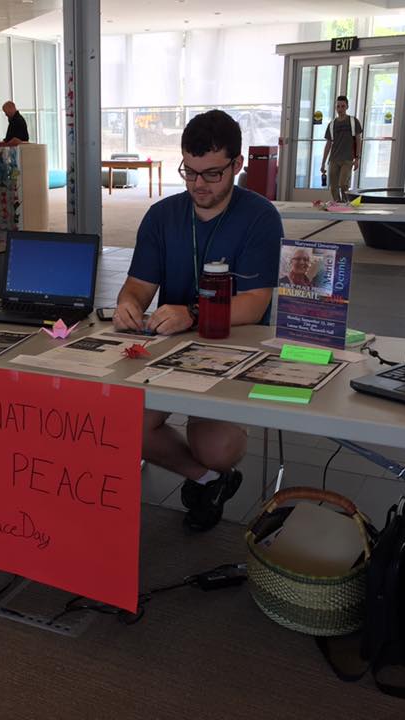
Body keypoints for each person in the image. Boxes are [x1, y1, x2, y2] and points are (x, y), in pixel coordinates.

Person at [113, 109, 283, 532]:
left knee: (217, 446)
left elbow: (255, 304)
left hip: (234, 346)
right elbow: (137, 285)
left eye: (212, 174)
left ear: (237, 166)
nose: (198, 185)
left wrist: (190, 313)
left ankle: (213, 467)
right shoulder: (162, 216)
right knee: (123, 425)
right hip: (169, 350)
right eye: (189, 172)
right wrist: (129, 304)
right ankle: (207, 481)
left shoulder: (260, 218)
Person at [320, 95, 363, 202]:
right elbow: (328, 144)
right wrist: (323, 163)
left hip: (347, 159)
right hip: (334, 159)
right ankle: (338, 205)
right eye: (338, 106)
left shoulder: (353, 121)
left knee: (343, 184)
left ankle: (345, 203)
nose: (340, 109)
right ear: (336, 108)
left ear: (347, 107)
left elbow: (358, 140)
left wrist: (357, 158)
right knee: (333, 187)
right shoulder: (332, 124)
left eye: (343, 106)